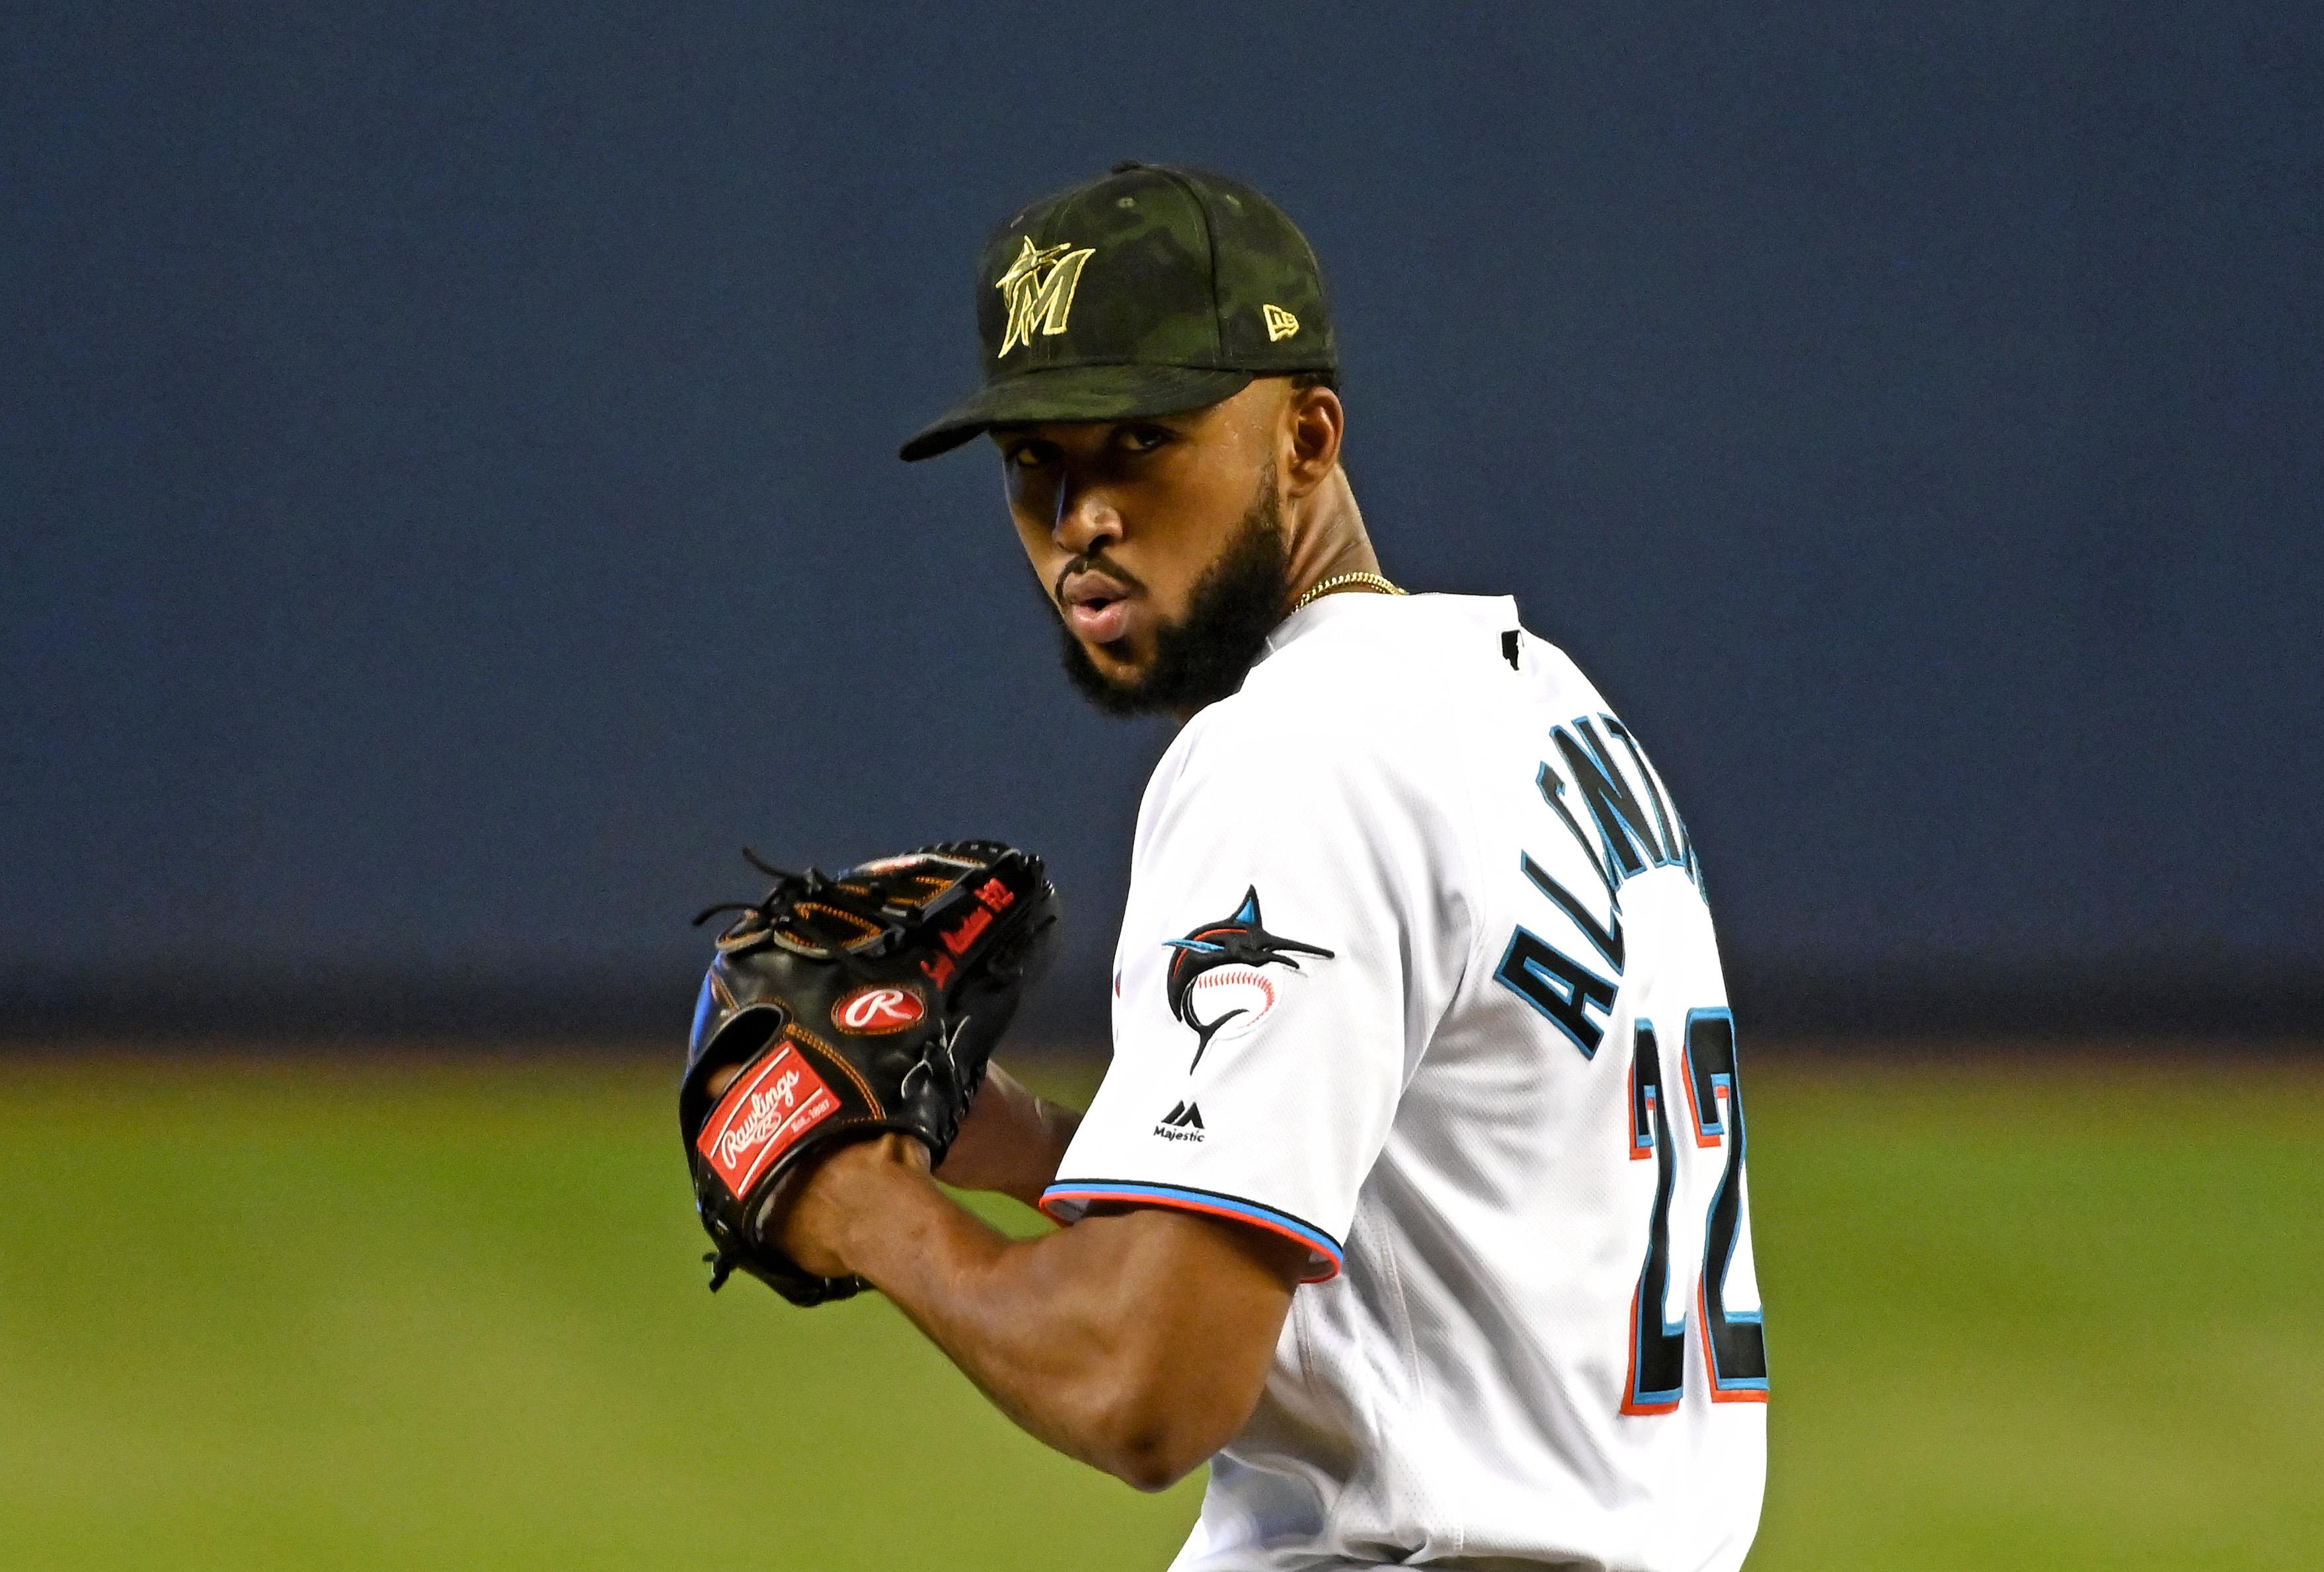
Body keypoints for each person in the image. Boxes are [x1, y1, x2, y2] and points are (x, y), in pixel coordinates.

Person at [768, 162, 1767, 1571]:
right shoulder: (1547, 706)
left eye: (1140, 442)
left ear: (1306, 436)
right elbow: (1415, 1241)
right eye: (1034, 462)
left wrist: (856, 1201)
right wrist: (1025, 1145)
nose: (1080, 516)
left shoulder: (1296, 754)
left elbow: (1148, 1392)